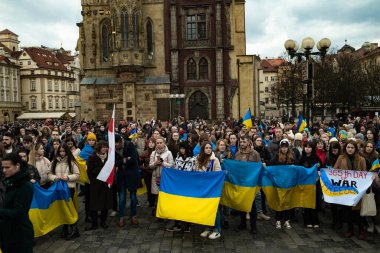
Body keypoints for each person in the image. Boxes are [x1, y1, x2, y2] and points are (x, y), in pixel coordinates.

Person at [0, 153, 34, 253]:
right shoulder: (10, 181)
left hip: (19, 236)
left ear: (17, 166)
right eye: (3, 167)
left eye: (7, 167)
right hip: (7, 233)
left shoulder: (24, 186)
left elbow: (19, 213)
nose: (4, 170)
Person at [334, 140, 367, 240]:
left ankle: (361, 230)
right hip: (346, 189)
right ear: (345, 148)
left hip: (357, 189)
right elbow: (335, 170)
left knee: (358, 212)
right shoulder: (341, 158)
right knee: (347, 211)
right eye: (348, 147)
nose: (350, 149)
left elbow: (364, 174)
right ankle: (350, 229)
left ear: (355, 149)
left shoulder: (361, 159)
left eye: (352, 147)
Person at [47, 143, 80, 240]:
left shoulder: (72, 162)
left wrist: (68, 177)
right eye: (60, 151)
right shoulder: (54, 162)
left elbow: (77, 175)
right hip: (58, 189)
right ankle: (65, 228)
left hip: (69, 188)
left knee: (70, 208)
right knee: (62, 208)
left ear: (67, 151)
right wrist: (54, 178)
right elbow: (49, 174)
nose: (62, 153)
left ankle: (74, 229)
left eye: (64, 151)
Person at [235, 135, 262, 234]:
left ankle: (253, 226)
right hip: (241, 183)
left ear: (249, 142)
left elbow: (259, 167)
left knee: (252, 205)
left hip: (251, 184)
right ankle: (242, 224)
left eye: (244, 142)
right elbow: (235, 167)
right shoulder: (237, 154)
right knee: (242, 204)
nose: (242, 144)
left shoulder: (255, 154)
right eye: (241, 142)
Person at [196, 142, 222, 240]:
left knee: (214, 209)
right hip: (202, 187)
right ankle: (207, 228)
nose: (208, 149)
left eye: (210, 148)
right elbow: (196, 171)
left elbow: (218, 173)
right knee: (204, 208)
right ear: (203, 149)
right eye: (206, 148)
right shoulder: (198, 159)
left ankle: (216, 230)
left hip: (212, 188)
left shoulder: (215, 160)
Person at [85, 141, 113, 231]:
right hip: (95, 184)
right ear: (98, 148)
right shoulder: (92, 158)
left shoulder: (109, 158)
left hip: (105, 184)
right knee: (95, 203)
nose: (105, 149)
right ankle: (94, 223)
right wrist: (103, 169)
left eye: (106, 147)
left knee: (105, 203)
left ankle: (103, 221)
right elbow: (90, 171)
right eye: (103, 147)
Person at [115, 134, 142, 227]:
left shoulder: (129, 145)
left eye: (117, 143)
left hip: (132, 175)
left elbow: (134, 159)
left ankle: (133, 216)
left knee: (133, 197)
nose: (116, 146)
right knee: (121, 198)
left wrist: (122, 161)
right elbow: (114, 163)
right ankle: (121, 217)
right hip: (121, 176)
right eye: (114, 144)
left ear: (120, 142)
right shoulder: (112, 150)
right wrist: (125, 160)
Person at [270, 138, 295, 229]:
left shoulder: (292, 156)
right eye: (282, 147)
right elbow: (270, 166)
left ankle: (287, 220)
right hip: (279, 183)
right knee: (279, 201)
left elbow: (297, 167)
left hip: (289, 183)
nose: (284, 149)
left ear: (288, 148)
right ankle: (278, 220)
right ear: (280, 148)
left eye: (286, 147)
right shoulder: (276, 157)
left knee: (288, 201)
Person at [298, 141, 322, 229]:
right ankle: (307, 220)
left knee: (314, 201)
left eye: (309, 147)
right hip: (304, 184)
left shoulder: (316, 158)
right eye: (306, 147)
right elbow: (298, 170)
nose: (307, 148)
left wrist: (319, 168)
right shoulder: (301, 158)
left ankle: (315, 220)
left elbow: (321, 169)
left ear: (312, 148)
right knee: (306, 202)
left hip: (314, 183)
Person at [149, 137, 174, 216]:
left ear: (164, 143)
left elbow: (172, 165)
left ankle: (165, 213)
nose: (159, 144)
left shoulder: (168, 153)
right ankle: (158, 214)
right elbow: (150, 166)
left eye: (161, 143)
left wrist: (163, 163)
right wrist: (155, 163)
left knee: (164, 196)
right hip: (155, 177)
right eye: (157, 143)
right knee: (157, 197)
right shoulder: (153, 153)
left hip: (165, 178)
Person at [140, 138, 156, 208]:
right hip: (147, 173)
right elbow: (139, 164)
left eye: (152, 142)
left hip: (156, 173)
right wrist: (145, 169)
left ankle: (156, 202)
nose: (151, 144)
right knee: (149, 189)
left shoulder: (157, 152)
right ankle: (151, 202)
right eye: (150, 142)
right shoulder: (144, 153)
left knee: (155, 189)